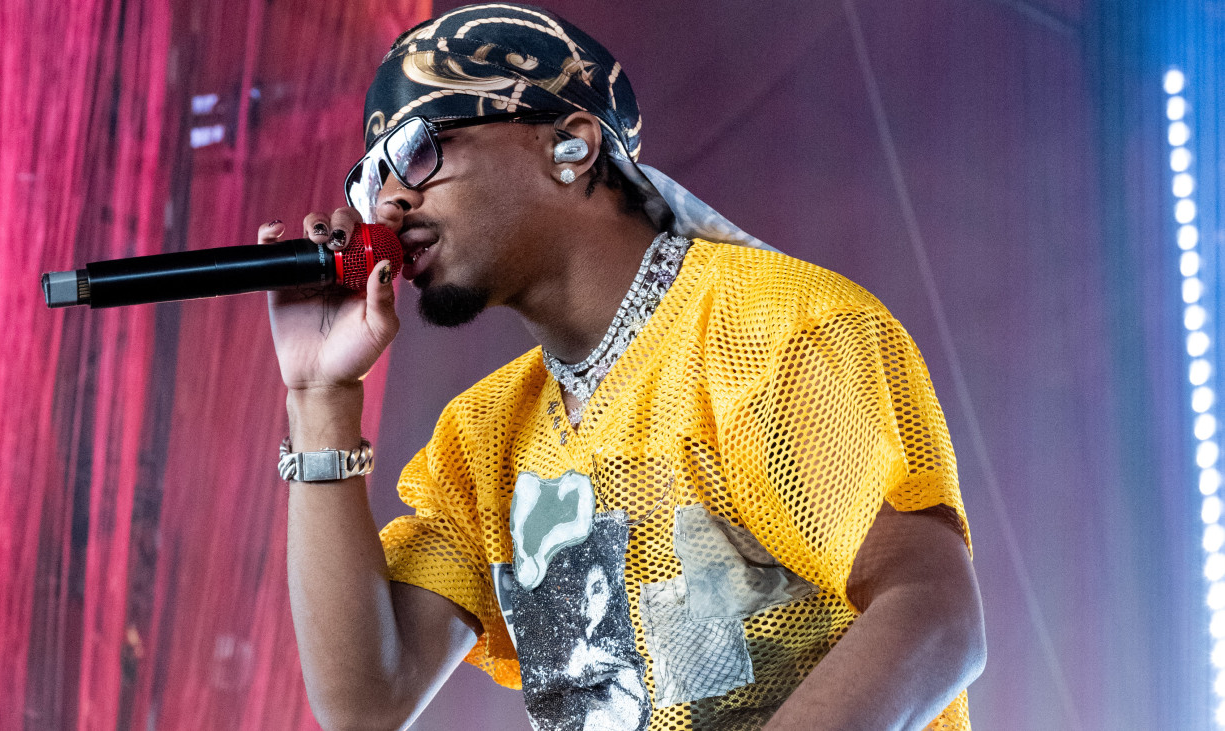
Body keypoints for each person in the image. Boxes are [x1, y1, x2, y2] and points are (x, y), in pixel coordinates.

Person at [262, 4, 985, 730]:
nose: (388, 200)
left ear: (570, 147)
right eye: (372, 178)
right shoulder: (483, 442)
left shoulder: (772, 333)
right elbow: (365, 701)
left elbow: (932, 613)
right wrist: (320, 394)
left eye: (420, 148)